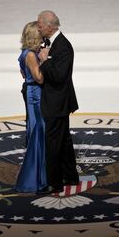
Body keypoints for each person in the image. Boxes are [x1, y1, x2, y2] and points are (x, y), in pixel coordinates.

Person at [36, 10, 80, 194]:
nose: (38, 27)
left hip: (57, 103)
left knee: (53, 143)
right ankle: (70, 176)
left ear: (50, 25)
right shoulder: (52, 42)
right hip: (59, 101)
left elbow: (59, 77)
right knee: (63, 141)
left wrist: (44, 61)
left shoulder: (63, 46)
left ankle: (55, 183)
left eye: (40, 24)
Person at [15, 21, 48, 193]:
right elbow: (39, 78)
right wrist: (43, 60)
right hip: (36, 96)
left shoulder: (25, 53)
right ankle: (37, 179)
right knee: (39, 133)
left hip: (31, 93)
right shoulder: (31, 55)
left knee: (38, 131)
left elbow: (23, 73)